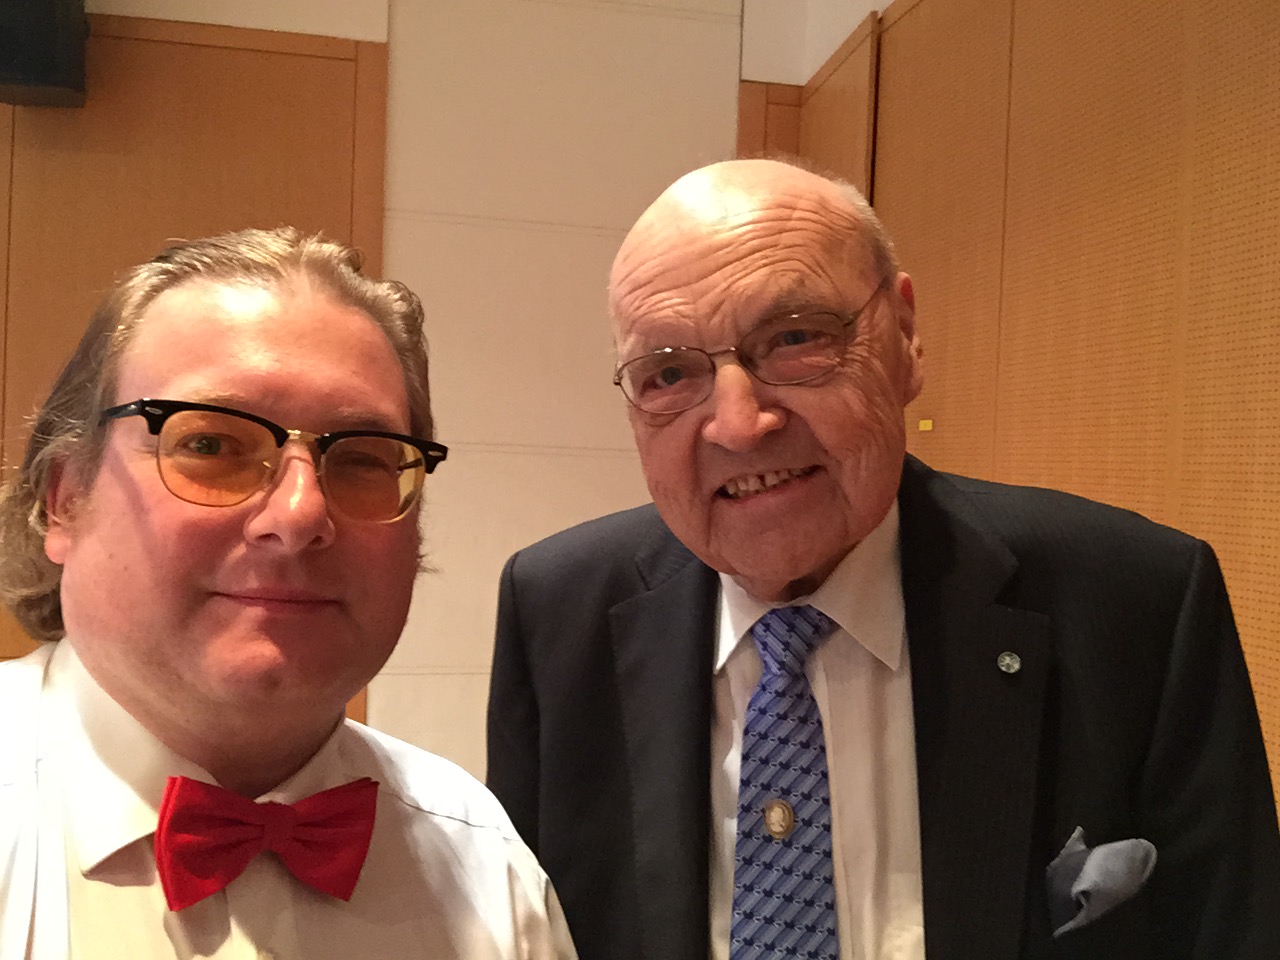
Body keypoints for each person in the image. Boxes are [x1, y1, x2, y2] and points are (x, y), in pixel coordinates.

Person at [485, 159, 1280, 960]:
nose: (739, 425)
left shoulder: (1135, 604)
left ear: (904, 337)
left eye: (795, 338)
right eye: (667, 373)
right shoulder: (556, 616)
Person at [0, 227, 577, 959]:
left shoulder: (486, 866)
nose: (301, 514)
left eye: (363, 459)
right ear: (63, 500)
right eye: (210, 445)